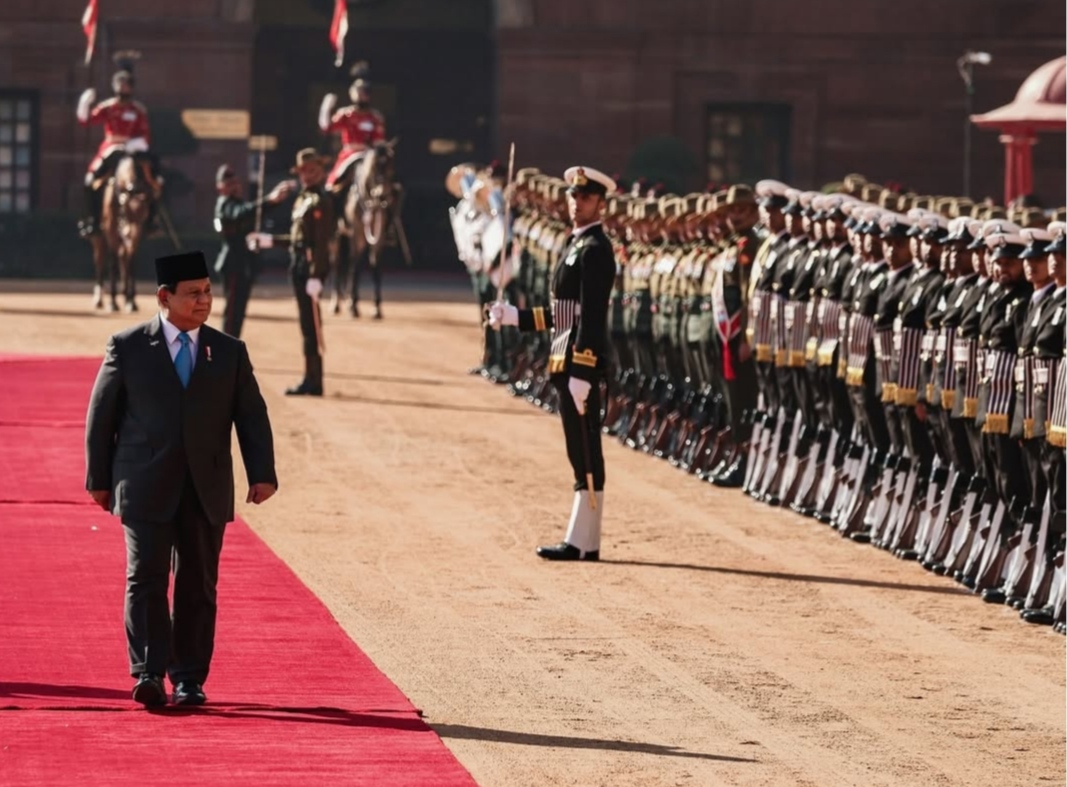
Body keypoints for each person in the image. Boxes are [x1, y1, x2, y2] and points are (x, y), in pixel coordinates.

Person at [84, 250, 278, 708]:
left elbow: (251, 415)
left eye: (208, 291)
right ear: (164, 297)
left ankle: (189, 677)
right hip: (142, 482)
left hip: (204, 486)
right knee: (146, 578)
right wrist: (99, 478)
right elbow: (101, 415)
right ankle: (149, 672)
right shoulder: (127, 346)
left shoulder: (229, 351)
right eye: (193, 293)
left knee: (197, 583)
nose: (204, 300)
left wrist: (262, 473)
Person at [488, 166, 618, 561]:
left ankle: (583, 540)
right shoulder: (576, 245)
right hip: (564, 359)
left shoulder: (596, 250)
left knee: (586, 447)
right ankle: (585, 540)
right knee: (576, 447)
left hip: (579, 365)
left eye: (585, 197)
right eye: (573, 196)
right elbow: (562, 314)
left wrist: (583, 369)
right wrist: (514, 317)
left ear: (601, 204)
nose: (576, 202)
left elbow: (592, 317)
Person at [251, 149, 336, 396]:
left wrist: (317, 276)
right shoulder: (302, 199)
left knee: (311, 326)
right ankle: (310, 377)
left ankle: (314, 380)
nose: (306, 176)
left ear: (321, 172)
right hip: (298, 263)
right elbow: (297, 239)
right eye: (303, 172)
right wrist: (270, 241)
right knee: (306, 326)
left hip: (309, 267)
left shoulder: (321, 201)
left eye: (311, 171)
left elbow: (321, 243)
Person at [76, 51, 162, 238]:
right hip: (110, 149)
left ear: (131, 88)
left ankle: (151, 221)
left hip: (132, 150)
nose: (123, 88)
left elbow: (145, 136)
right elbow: (86, 121)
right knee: (90, 181)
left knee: (154, 181)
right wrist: (85, 101)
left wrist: (131, 144)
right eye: (120, 85)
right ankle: (92, 220)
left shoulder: (138, 111)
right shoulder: (108, 108)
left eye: (126, 85)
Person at [213, 165, 292, 338]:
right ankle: (226, 349)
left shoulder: (237, 204)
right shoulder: (225, 205)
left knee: (238, 312)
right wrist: (270, 200)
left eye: (235, 182)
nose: (234, 186)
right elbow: (242, 214)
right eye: (229, 183)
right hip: (233, 263)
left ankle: (232, 347)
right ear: (220, 187)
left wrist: (273, 202)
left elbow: (252, 212)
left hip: (243, 265)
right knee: (232, 312)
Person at [318, 61, 387, 204]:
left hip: (369, 154)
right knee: (333, 182)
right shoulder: (346, 114)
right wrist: (326, 108)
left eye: (365, 93)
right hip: (349, 154)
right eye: (359, 93)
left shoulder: (376, 117)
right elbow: (326, 128)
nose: (362, 96)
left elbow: (379, 140)